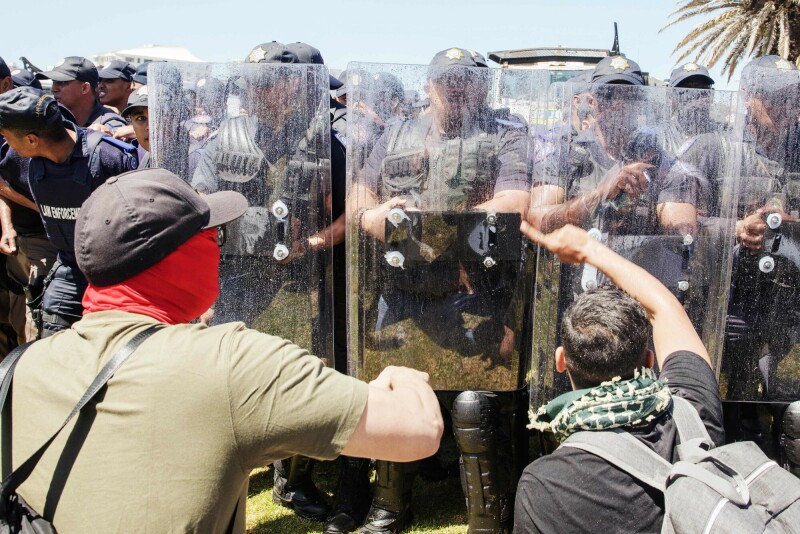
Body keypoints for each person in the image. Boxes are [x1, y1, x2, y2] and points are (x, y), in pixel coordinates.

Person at [7, 167, 444, 533]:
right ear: (179, 259)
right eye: (212, 238)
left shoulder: (18, 369)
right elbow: (417, 430)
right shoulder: (232, 362)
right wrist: (402, 375)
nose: (219, 250)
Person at [348, 48, 534, 533]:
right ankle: (390, 507)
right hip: (404, 285)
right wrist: (371, 216)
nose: (456, 87)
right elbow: (362, 192)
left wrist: (443, 231)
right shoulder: (397, 131)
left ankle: (486, 515)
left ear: (482, 88)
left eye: (466, 80)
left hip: (474, 285)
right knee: (393, 390)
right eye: (446, 79)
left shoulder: (505, 133)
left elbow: (515, 199)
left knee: (476, 399)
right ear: (429, 85)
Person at [514, 222, 724, 533]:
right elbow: (664, 309)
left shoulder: (543, 485)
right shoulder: (694, 416)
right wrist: (590, 249)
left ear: (561, 361)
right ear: (650, 362)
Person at [0, 87, 137, 337]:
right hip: (70, 268)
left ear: (31, 139)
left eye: (7, 136)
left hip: (121, 276)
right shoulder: (18, 159)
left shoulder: (108, 157)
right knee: (51, 341)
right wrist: (8, 226)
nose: (7, 142)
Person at [36, 56, 125, 131]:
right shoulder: (53, 120)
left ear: (84, 88)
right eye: (54, 82)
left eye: (62, 82)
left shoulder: (110, 124)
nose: (54, 89)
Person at [120, 86, 151, 168]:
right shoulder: (142, 158)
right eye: (141, 118)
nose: (149, 127)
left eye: (158, 116)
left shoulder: (187, 161)